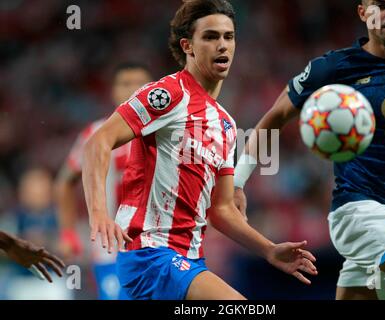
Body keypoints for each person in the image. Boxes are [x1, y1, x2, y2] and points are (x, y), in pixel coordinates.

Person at [82, 0, 317, 300]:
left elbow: (220, 209)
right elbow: (97, 143)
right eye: (210, 36)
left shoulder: (226, 125)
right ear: (188, 46)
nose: (222, 45)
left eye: (228, 37)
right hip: (151, 256)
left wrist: (268, 250)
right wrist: (99, 213)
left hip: (188, 259)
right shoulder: (168, 94)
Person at [234, 0, 385, 300]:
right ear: (363, 12)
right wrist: (236, 182)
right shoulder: (333, 67)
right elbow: (274, 117)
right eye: (381, 5)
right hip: (360, 211)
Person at [54, 63, 152, 299]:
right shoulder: (96, 134)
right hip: (111, 250)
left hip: (158, 246)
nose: (133, 89)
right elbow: (64, 182)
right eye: (125, 83)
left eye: (140, 83)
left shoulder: (166, 132)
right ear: (113, 91)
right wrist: (68, 233)